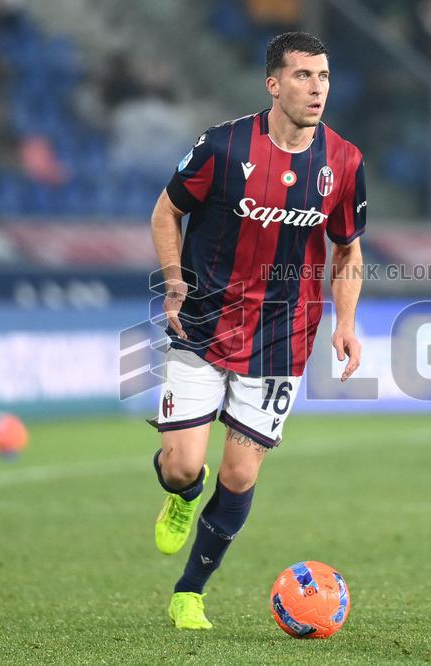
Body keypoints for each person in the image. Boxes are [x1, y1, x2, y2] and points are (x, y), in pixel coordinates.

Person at [147, 31, 367, 630]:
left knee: (241, 474)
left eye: (324, 76)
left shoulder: (345, 162)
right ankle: (182, 495)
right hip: (205, 321)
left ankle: (190, 592)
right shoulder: (222, 147)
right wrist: (174, 281)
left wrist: (346, 322)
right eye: (303, 75)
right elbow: (166, 212)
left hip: (282, 334)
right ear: (273, 84)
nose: (317, 88)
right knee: (183, 467)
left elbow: (348, 250)